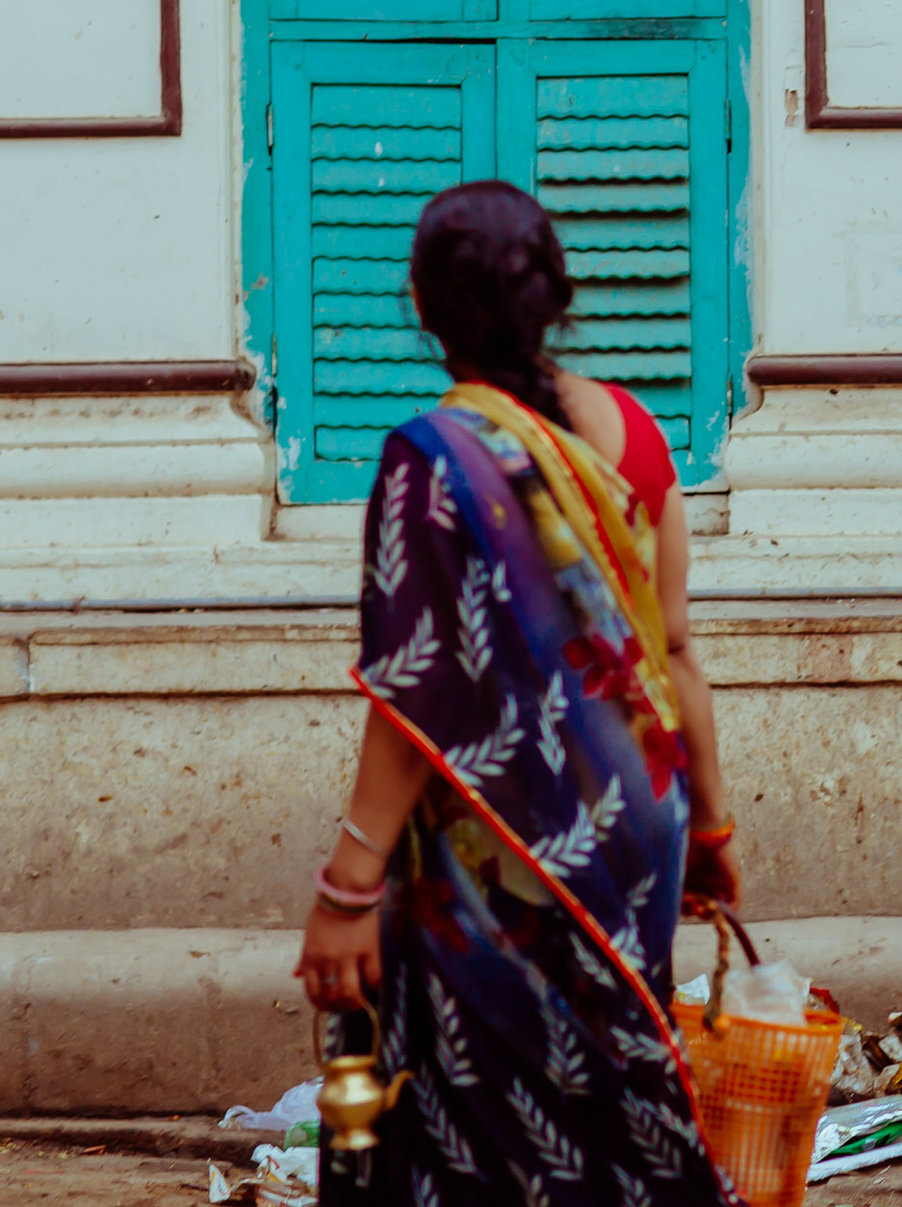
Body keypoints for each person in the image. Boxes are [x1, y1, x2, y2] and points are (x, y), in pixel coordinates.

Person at [293, 181, 740, 1205]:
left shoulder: (432, 459)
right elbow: (674, 651)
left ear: (419, 303)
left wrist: (347, 887)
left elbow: (415, 696)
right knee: (613, 1122)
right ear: (555, 296)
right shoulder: (630, 429)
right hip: (634, 830)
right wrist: (712, 832)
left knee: (488, 1138)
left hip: (505, 853)